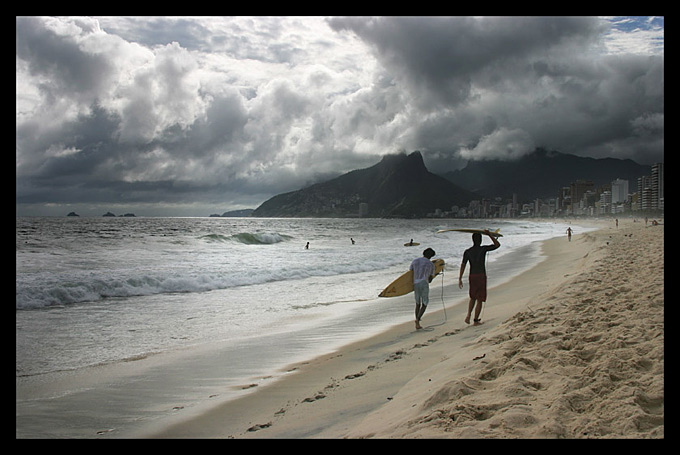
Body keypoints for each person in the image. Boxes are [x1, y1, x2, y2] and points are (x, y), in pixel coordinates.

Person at [458, 230, 500, 325]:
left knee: (473, 297)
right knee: (480, 299)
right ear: (480, 240)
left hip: (472, 276)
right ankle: (476, 320)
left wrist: (460, 278)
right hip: (481, 275)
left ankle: (468, 315)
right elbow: (497, 245)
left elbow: (463, 265)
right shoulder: (483, 249)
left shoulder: (468, 251)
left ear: (472, 240)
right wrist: (490, 235)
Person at [410, 247, 436, 330]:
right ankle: (417, 320)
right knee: (425, 303)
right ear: (431, 256)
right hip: (424, 283)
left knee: (418, 303)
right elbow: (430, 279)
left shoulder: (415, 261)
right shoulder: (431, 264)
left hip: (415, 283)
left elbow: (410, 272)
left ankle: (417, 323)